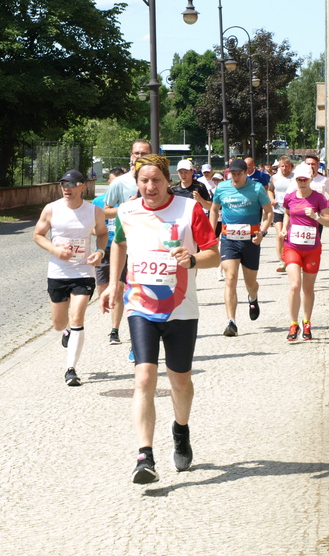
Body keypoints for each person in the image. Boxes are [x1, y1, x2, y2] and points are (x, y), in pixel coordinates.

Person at [100, 154, 219, 484]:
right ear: (135, 183)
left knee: (180, 381)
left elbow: (214, 253)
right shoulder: (127, 211)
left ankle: (180, 430)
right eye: (143, 181)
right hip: (141, 307)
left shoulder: (188, 210)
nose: (150, 187)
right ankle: (145, 456)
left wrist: (193, 259)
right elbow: (118, 245)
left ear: (168, 181)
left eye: (156, 180)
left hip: (181, 309)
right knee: (144, 378)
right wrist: (113, 283)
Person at [33, 170, 108, 386]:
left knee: (77, 319)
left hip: (83, 272)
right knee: (58, 324)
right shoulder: (52, 209)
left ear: (82, 187)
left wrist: (100, 252)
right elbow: (38, 235)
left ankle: (71, 369)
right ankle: (65, 331)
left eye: (72, 184)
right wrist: (55, 250)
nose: (67, 188)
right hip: (58, 272)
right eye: (63, 184)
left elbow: (102, 234)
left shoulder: (94, 211)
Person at [209, 158, 273, 336]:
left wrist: (262, 232)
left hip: (251, 240)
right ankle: (231, 322)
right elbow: (214, 209)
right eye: (232, 174)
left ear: (246, 173)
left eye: (239, 174)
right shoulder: (222, 188)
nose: (235, 178)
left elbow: (269, 213)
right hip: (229, 239)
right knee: (230, 278)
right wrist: (211, 233)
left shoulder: (256, 188)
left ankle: (253, 297)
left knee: (250, 283)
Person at [104, 139, 153, 361]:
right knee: (131, 293)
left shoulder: (158, 180)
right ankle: (134, 342)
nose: (139, 155)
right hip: (128, 246)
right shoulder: (121, 183)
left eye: (144, 152)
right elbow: (105, 210)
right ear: (131, 155)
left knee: (148, 295)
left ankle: (150, 334)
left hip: (153, 245)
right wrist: (126, 207)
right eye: (136, 152)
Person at [282, 163, 329, 341]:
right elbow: (288, 213)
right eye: (299, 179)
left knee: (308, 288)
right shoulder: (290, 197)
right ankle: (293, 323)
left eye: (305, 179)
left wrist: (316, 217)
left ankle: (307, 322)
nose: (302, 182)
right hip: (292, 246)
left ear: (310, 179)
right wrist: (284, 228)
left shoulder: (318, 198)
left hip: (312, 248)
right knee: (295, 285)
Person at [91, 168, 126, 344]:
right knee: (103, 290)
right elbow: (91, 227)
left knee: (118, 288)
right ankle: (111, 318)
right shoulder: (98, 202)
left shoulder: (129, 201)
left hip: (123, 247)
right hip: (104, 249)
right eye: (114, 184)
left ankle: (115, 330)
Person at [268, 156, 295, 272]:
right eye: (282, 166)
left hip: (291, 210)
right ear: (279, 166)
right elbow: (270, 190)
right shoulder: (274, 178)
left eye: (286, 166)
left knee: (289, 235)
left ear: (291, 167)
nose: (284, 168)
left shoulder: (295, 178)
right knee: (280, 235)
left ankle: (292, 259)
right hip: (278, 209)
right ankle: (281, 261)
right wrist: (271, 199)